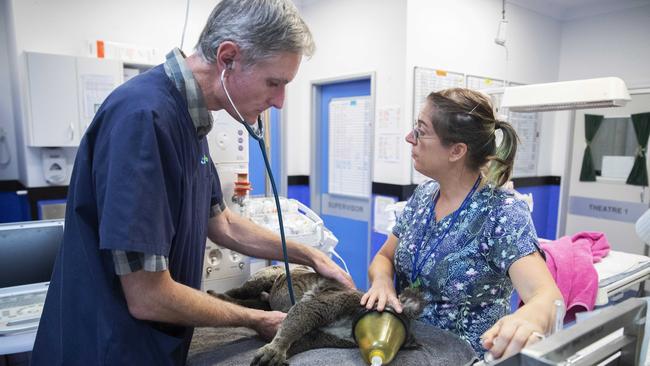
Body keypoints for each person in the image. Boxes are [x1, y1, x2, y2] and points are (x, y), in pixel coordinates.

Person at [32, 1, 353, 365]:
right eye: (274, 83)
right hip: (105, 349)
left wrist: (309, 255)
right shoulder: (145, 118)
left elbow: (223, 223)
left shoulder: (190, 121)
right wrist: (256, 318)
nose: (279, 102)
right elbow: (148, 295)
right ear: (228, 57)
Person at [360, 88, 562, 360]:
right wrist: (382, 282)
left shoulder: (502, 213)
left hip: (464, 358)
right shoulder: (423, 196)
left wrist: (530, 318)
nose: (410, 138)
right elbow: (385, 256)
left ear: (456, 150)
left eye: (421, 131)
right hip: (401, 348)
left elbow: (546, 295)